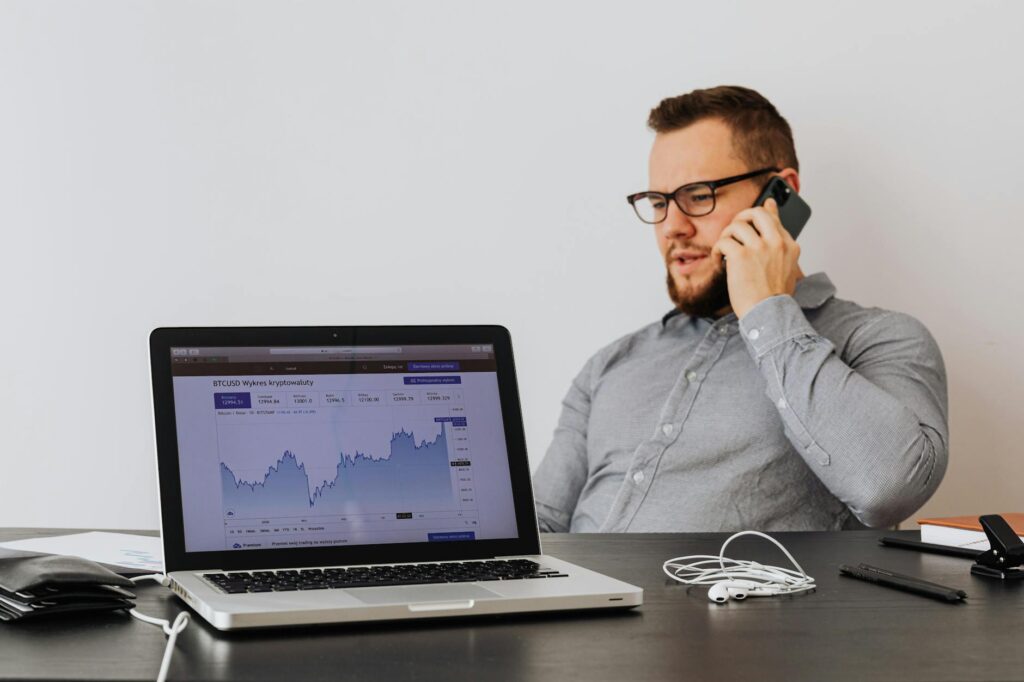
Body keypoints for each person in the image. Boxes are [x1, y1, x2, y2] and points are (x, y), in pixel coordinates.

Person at [532, 85, 948, 533]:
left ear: (779, 195)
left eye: (697, 195)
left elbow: (887, 489)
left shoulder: (878, 339)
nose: (672, 226)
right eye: (658, 202)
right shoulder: (611, 364)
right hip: (575, 604)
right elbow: (540, 525)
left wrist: (767, 308)